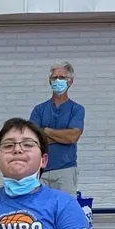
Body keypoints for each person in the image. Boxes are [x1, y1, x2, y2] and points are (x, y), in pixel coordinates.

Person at [28, 61, 85, 195]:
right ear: (50, 81)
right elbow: (32, 139)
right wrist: (62, 137)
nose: (57, 81)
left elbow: (73, 137)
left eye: (62, 77)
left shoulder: (76, 109)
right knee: (39, 206)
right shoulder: (39, 110)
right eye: (54, 78)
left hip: (66, 169)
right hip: (40, 169)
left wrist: (45, 131)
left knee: (65, 206)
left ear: (70, 81)